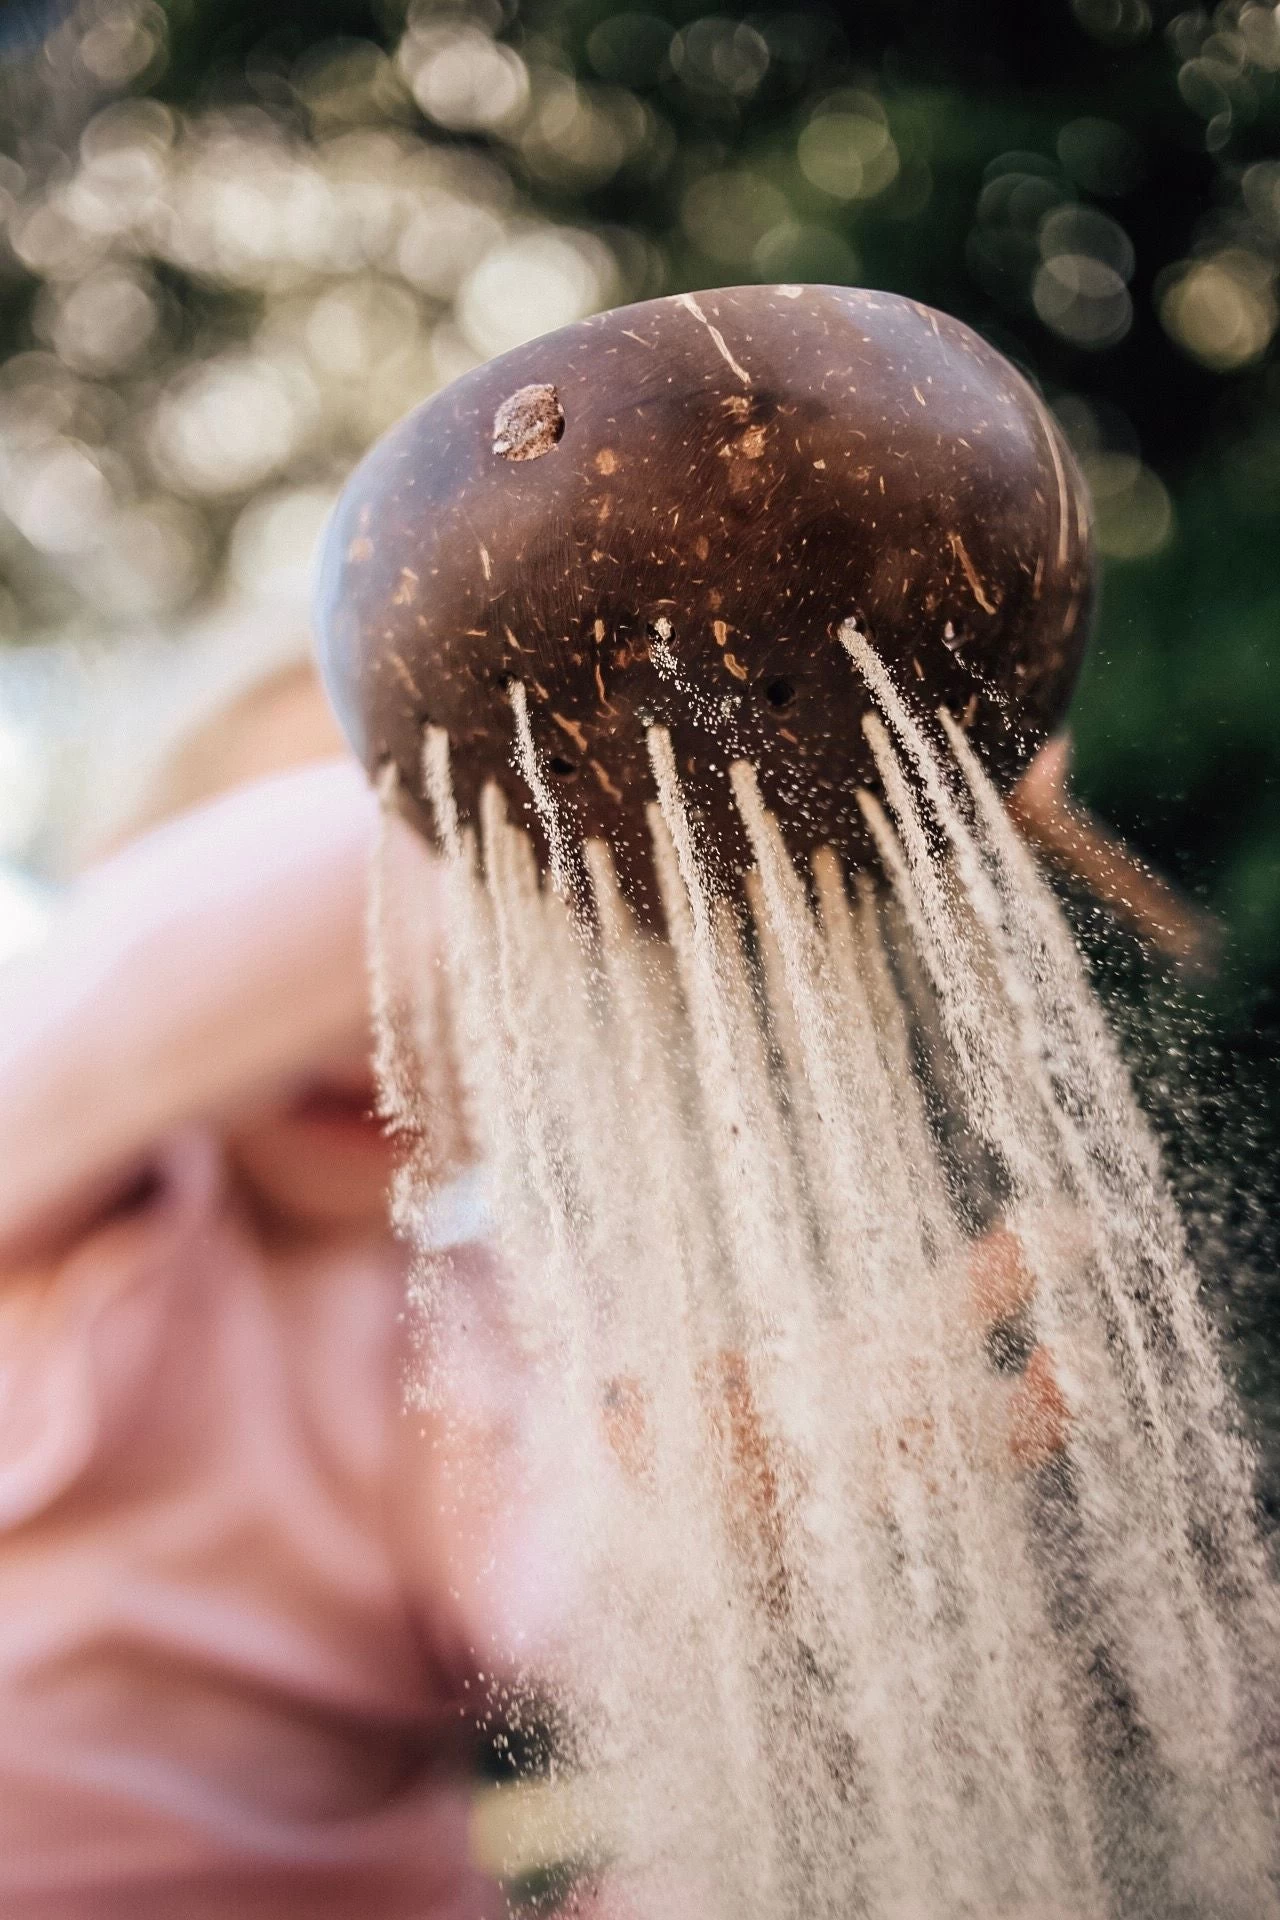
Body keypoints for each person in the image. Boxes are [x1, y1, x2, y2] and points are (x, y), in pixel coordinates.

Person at [0, 661, 542, 1920]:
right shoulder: (49, 1185)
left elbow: (559, 1572)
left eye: (487, 958)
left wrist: (706, 1515)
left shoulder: (467, 1324)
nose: (375, 1018)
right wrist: (577, 786)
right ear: (132, 881)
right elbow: (130, 996)